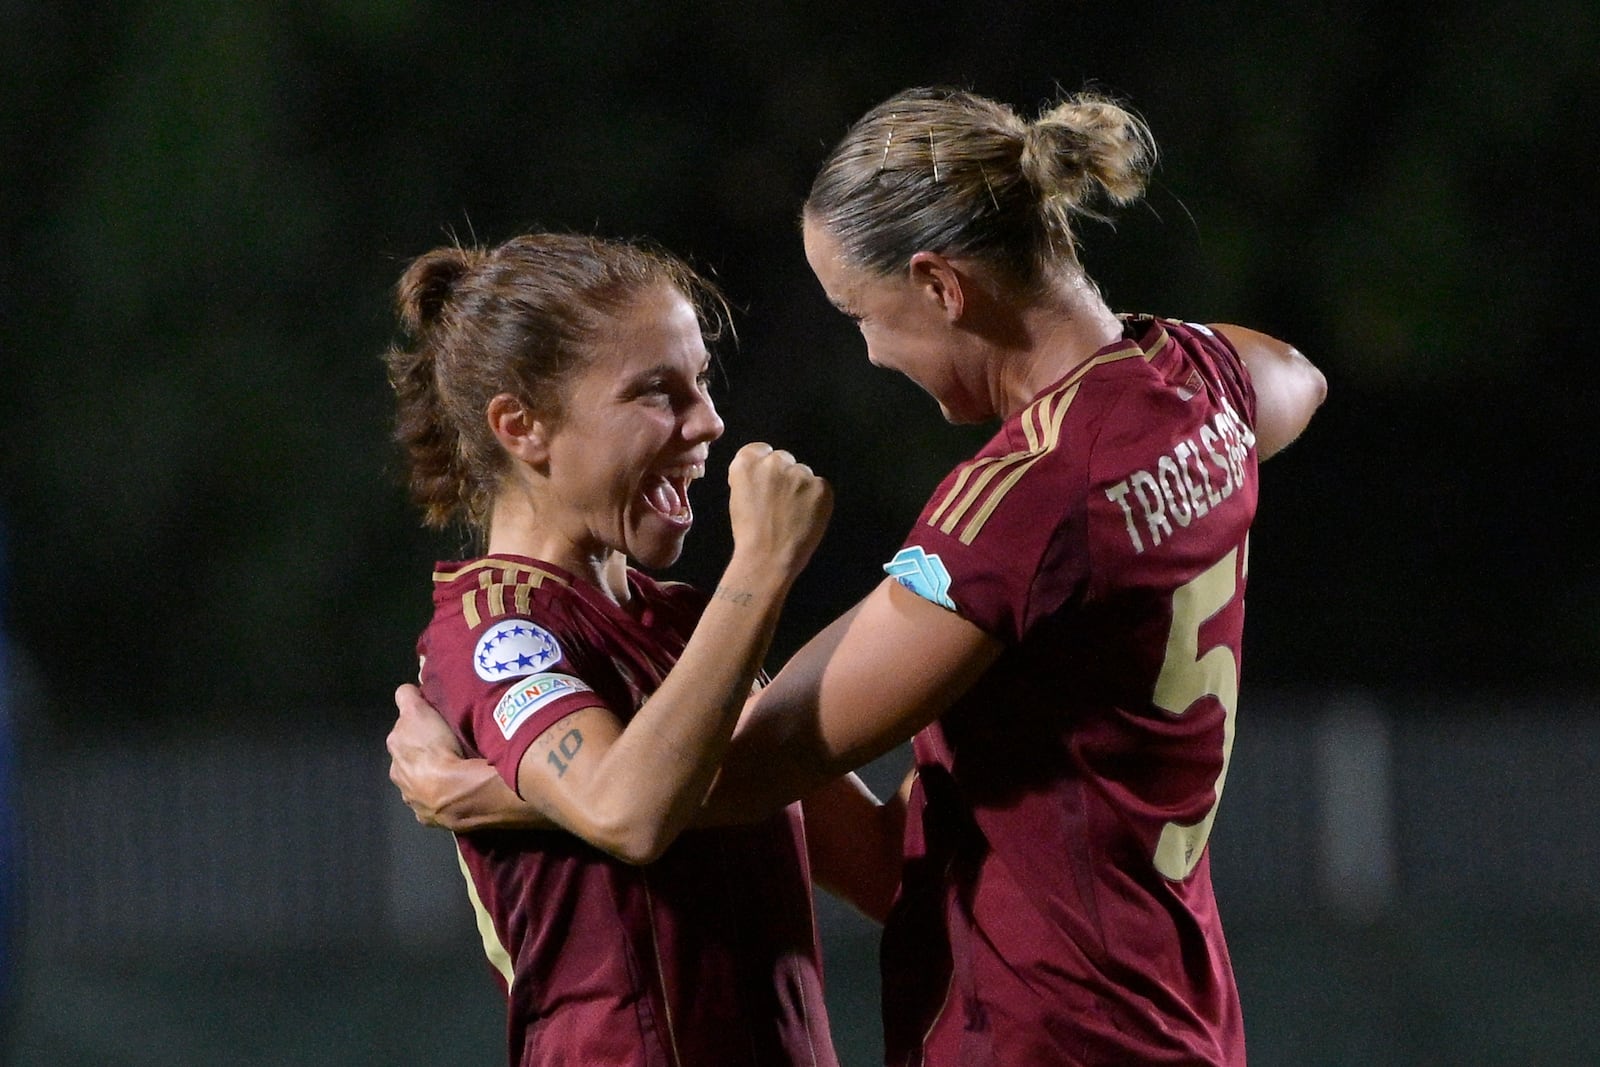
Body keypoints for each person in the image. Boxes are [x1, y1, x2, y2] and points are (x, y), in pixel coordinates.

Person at [389, 86, 1327, 1066]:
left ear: (940, 285)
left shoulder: (1026, 502)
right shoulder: (1194, 389)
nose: (871, 350)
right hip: (1165, 1006)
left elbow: (653, 797)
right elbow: (1295, 375)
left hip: (1046, 1031)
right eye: (658, 392)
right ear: (519, 427)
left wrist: (496, 787)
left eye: (859, 313)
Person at [382, 231, 903, 1067]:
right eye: (657, 393)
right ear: (522, 426)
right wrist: (763, 567)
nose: (708, 420)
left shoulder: (684, 625)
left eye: (700, 381)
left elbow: (881, 865)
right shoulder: (497, 626)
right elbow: (628, 807)